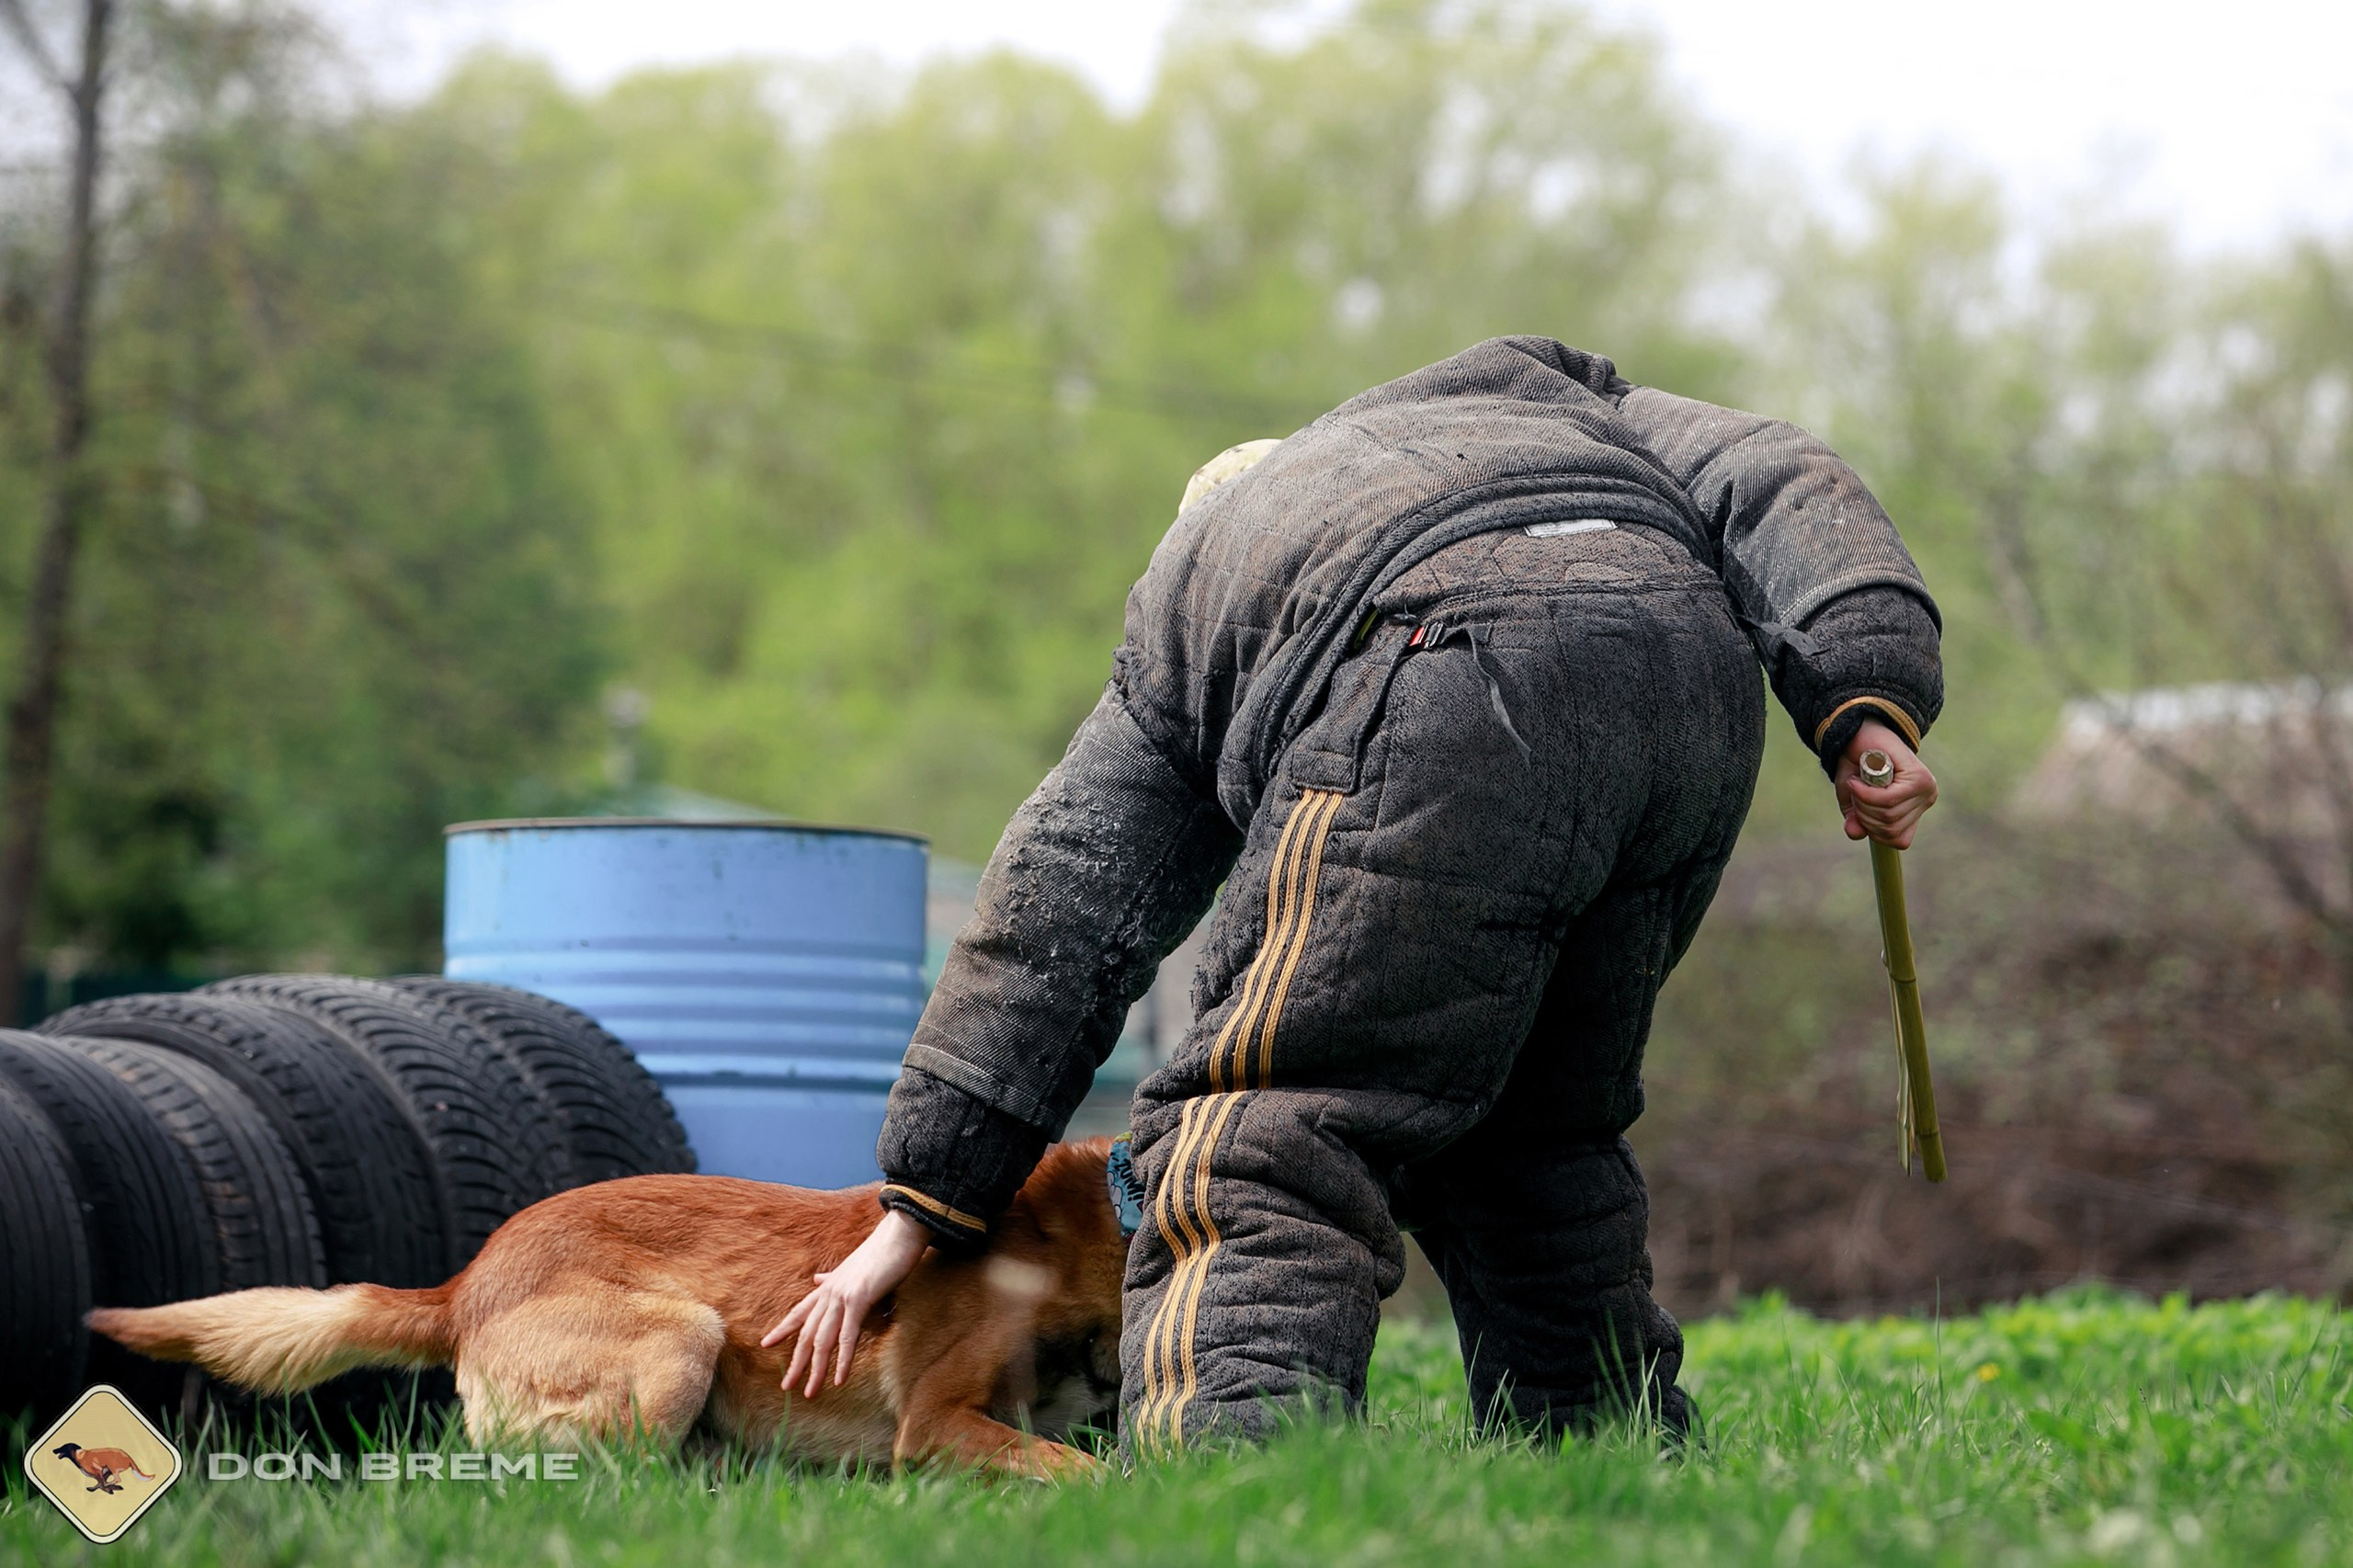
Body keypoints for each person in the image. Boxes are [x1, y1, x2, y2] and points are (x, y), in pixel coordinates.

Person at [765, 336, 1942, 1448]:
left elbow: (1056, 916)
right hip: (1690, 693)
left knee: (1272, 1118)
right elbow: (1776, 473)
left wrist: (920, 1199)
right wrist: (1866, 696)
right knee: (1539, 1128)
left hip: (1443, 658)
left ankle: (1239, 1467)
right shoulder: (1533, 391)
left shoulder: (1203, 585)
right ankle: (1599, 1447)